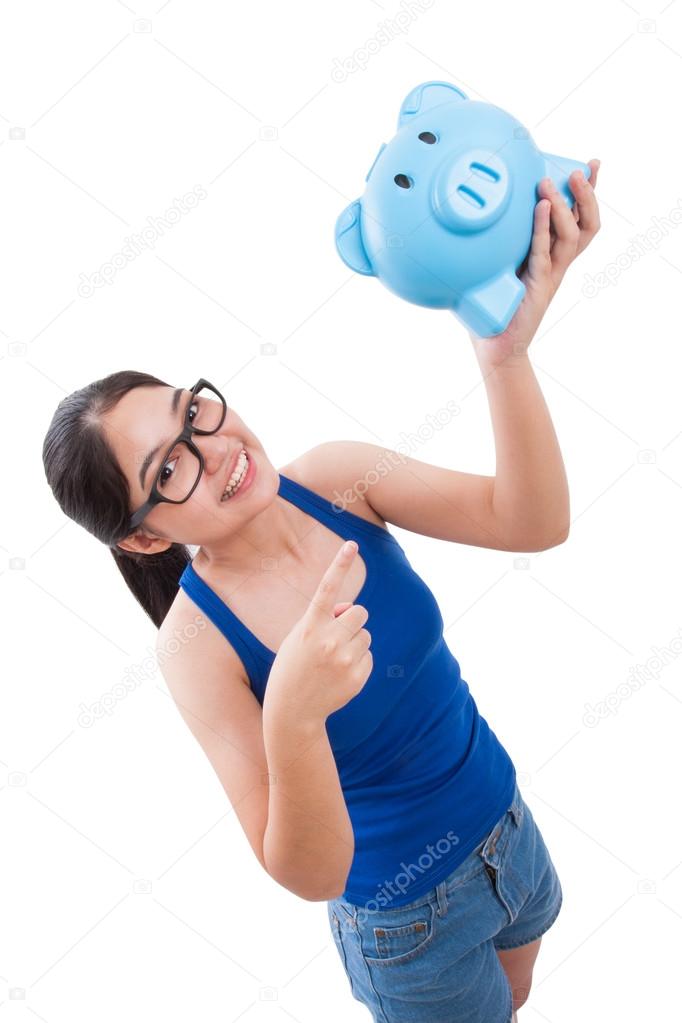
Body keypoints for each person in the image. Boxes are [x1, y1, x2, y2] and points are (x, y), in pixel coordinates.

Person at [41, 164, 601, 1022]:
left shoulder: (339, 480)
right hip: (409, 921)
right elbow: (309, 873)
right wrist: (292, 716)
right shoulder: (196, 646)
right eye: (169, 466)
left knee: (518, 994)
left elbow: (530, 521)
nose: (214, 444)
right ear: (147, 535)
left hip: (510, 826)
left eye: (194, 411)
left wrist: (505, 354)